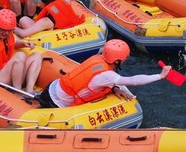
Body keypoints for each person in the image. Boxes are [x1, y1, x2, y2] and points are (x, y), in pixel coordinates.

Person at [36, 39, 168, 108]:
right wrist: (160, 76)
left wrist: (115, 88)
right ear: (116, 61)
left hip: (52, 88)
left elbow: (97, 81)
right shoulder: (108, 75)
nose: (125, 59)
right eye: (124, 58)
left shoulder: (98, 58)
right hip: (56, 102)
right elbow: (133, 81)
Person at [0, 9, 44, 94]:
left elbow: (13, 42)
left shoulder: (8, 34)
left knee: (37, 56)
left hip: (8, 72)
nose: (6, 33)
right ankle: (18, 92)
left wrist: (24, 44)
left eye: (9, 30)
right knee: (20, 56)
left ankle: (29, 90)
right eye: (3, 30)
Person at [16, 0, 85, 38]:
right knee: (24, 20)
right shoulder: (66, 2)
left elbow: (23, 34)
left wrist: (13, 27)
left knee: (23, 20)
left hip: (50, 34)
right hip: (68, 25)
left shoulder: (46, 21)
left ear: (43, 3)